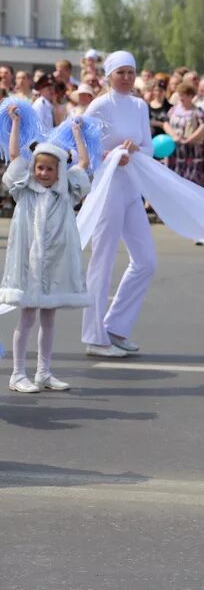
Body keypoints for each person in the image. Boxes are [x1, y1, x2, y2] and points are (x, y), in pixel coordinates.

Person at [1, 107, 92, 392]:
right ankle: (17, 374)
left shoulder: (66, 192)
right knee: (26, 318)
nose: (43, 173)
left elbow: (84, 162)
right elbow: (15, 155)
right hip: (28, 266)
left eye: (49, 169)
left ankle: (44, 371)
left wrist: (77, 133)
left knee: (49, 319)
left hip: (53, 267)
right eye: (39, 168)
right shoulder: (24, 190)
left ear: (59, 171)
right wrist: (16, 123)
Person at [81, 50, 156, 358]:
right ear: (109, 76)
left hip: (131, 190)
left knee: (146, 261)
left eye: (130, 72)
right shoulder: (100, 106)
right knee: (103, 261)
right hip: (107, 190)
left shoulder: (139, 106)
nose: (126, 77)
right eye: (120, 72)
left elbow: (150, 148)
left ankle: (115, 327)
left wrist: (136, 150)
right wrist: (113, 156)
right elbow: (84, 148)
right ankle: (94, 337)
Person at [163, 83, 204, 186]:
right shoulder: (173, 110)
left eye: (186, 95)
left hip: (191, 152)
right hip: (174, 151)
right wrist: (173, 135)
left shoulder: (197, 111)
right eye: (181, 94)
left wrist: (189, 139)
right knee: (173, 180)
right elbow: (165, 123)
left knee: (190, 181)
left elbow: (203, 127)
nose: (182, 97)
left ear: (192, 96)